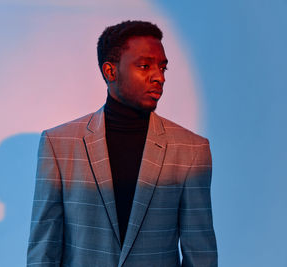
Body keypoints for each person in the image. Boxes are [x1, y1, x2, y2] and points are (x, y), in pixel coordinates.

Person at [27, 20, 217, 267]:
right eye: (145, 66)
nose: (159, 77)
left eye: (163, 68)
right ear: (110, 71)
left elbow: (200, 256)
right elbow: (44, 249)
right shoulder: (59, 144)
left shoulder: (191, 150)